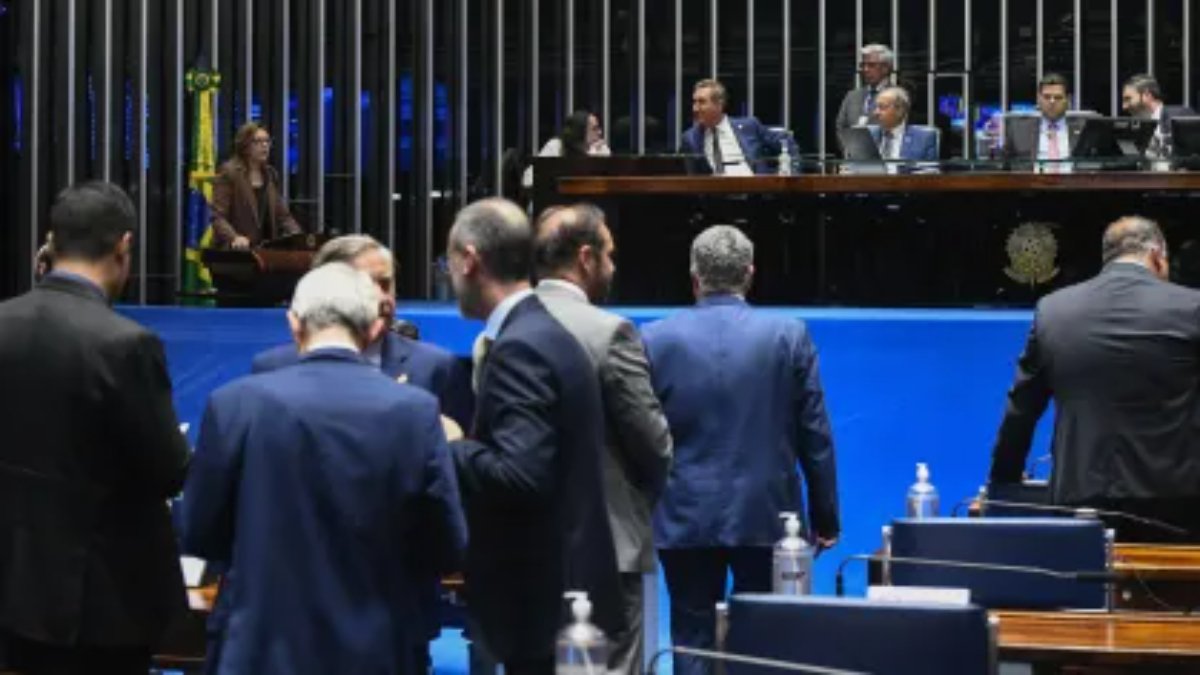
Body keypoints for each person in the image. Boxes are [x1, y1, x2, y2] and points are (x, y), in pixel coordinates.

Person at [181, 262, 468, 674]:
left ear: (294, 325)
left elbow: (199, 532)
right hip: (378, 650)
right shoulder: (416, 412)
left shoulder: (233, 404)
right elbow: (446, 545)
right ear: (373, 329)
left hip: (261, 648)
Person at [0, 182, 191, 674]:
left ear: (52, 240)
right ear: (124, 245)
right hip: (101, 598)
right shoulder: (125, 345)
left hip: (14, 583)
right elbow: (168, 471)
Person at [641, 225, 840, 675]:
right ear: (750, 274)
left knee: (692, 640)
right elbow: (815, 433)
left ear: (694, 278)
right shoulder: (789, 336)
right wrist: (826, 517)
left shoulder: (653, 338)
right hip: (766, 513)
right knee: (763, 643)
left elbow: (642, 433)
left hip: (683, 513)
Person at [445, 198, 623, 675]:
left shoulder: (521, 347)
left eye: (448, 262)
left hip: (544, 604)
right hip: (564, 594)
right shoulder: (542, 333)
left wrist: (451, 446)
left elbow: (521, 474)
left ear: (469, 259)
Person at [989, 216, 1200, 543]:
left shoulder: (1055, 311)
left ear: (1108, 258)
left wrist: (1002, 483)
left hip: (1081, 500)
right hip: (1178, 506)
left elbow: (1022, 409)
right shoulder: (1192, 308)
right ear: (1158, 256)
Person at [532, 204, 673, 675]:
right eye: (610, 255)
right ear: (587, 258)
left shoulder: (504, 326)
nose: (614, 267)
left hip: (527, 540)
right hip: (609, 543)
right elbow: (652, 441)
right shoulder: (611, 332)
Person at [252, 234, 473, 428]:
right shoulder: (273, 368)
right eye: (365, 285)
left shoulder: (436, 368)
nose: (382, 298)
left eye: (386, 284)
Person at [210, 121, 302, 250]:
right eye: (258, 141)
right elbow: (217, 216)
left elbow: (283, 215)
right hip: (234, 251)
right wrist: (234, 237)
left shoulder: (270, 174)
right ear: (245, 146)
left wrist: (298, 236)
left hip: (265, 250)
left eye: (267, 141)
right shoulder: (229, 172)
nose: (264, 146)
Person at [678, 79, 800, 175]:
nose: (695, 108)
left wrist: (791, 173)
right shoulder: (690, 138)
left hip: (757, 194)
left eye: (702, 102)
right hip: (717, 199)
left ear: (719, 104)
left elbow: (786, 142)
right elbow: (692, 176)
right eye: (694, 102)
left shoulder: (749, 126)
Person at [1002, 73, 1082, 171]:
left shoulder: (1084, 129)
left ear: (1068, 100)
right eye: (1047, 97)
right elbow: (1003, 168)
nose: (1052, 102)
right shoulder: (1017, 130)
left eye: (1058, 97)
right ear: (1039, 99)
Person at [521, 110, 612, 189]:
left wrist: (594, 158)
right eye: (594, 129)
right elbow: (527, 181)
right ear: (579, 131)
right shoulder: (556, 146)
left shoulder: (602, 149)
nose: (600, 132)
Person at [1121, 74, 1197, 156]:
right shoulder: (1133, 129)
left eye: (1128, 99)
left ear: (1147, 95)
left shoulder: (1179, 116)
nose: (1124, 106)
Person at [868, 87, 939, 169]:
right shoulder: (868, 135)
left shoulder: (924, 138)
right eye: (876, 107)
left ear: (900, 110)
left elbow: (931, 173)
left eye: (882, 107)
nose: (876, 112)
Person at [836, 44, 894, 135]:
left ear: (885, 68)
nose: (865, 69)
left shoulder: (897, 96)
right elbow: (840, 128)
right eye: (863, 65)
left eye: (871, 65)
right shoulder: (852, 96)